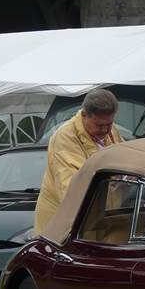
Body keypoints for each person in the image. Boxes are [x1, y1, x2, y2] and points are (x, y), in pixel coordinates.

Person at [34, 88, 124, 235]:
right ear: (84, 115)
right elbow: (72, 188)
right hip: (64, 227)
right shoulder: (65, 138)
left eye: (109, 124)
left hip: (97, 220)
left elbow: (125, 158)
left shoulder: (111, 131)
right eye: (100, 125)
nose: (106, 130)